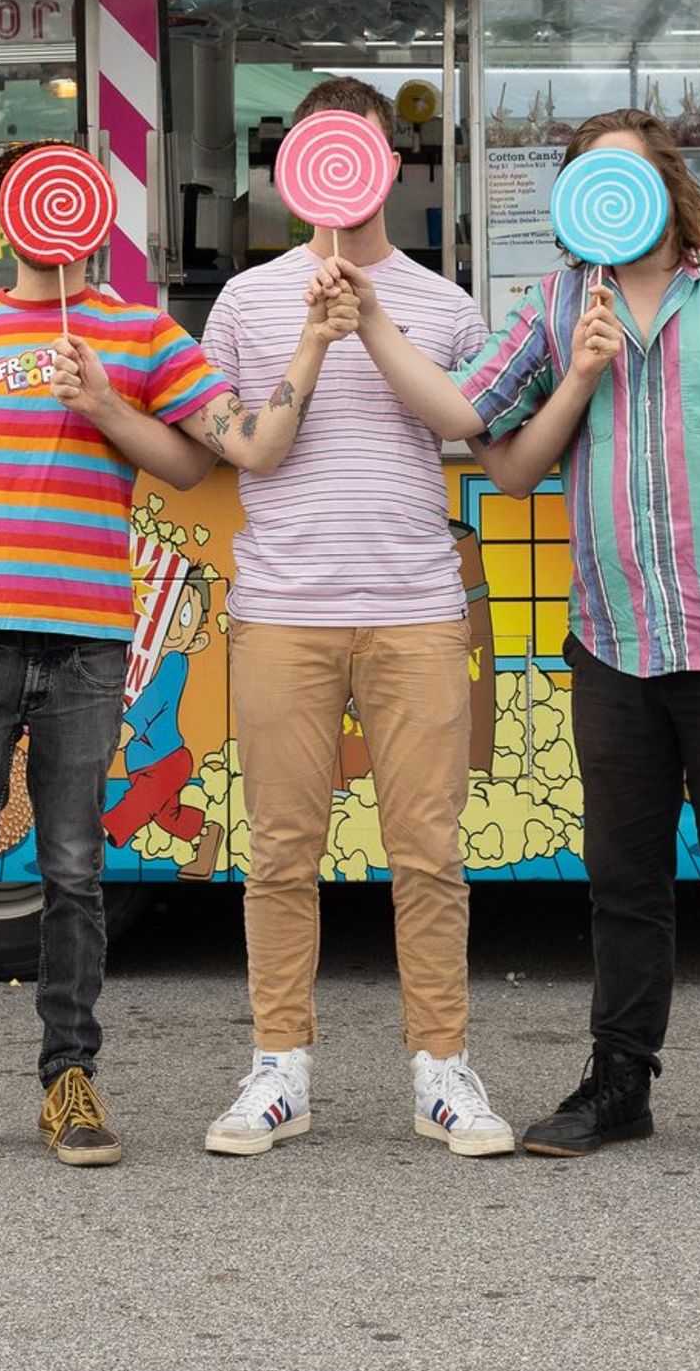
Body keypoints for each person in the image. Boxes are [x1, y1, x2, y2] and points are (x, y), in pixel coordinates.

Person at [351, 108, 700, 1172]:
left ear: (669, 182)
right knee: (623, 879)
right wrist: (371, 321)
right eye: (590, 177)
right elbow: (472, 427)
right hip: (613, 639)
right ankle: (620, 1080)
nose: (612, 195)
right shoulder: (556, 306)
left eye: (626, 174)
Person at [0, 146, 351, 1170]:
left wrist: (110, 404)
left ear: (91, 214)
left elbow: (212, 456)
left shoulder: (139, 333)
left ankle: (70, 1079)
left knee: (75, 874)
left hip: (88, 643)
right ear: (11, 212)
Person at [195, 77, 518, 1161]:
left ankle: (442, 1068)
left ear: (393, 160)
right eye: (326, 147)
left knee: (428, 850)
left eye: (365, 146)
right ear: (295, 165)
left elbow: (467, 425)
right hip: (282, 607)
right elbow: (248, 449)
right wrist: (311, 337)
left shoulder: (445, 303)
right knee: (280, 850)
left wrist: (370, 320)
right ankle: (279, 1066)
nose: (348, 169)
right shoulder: (246, 300)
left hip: (416, 606)